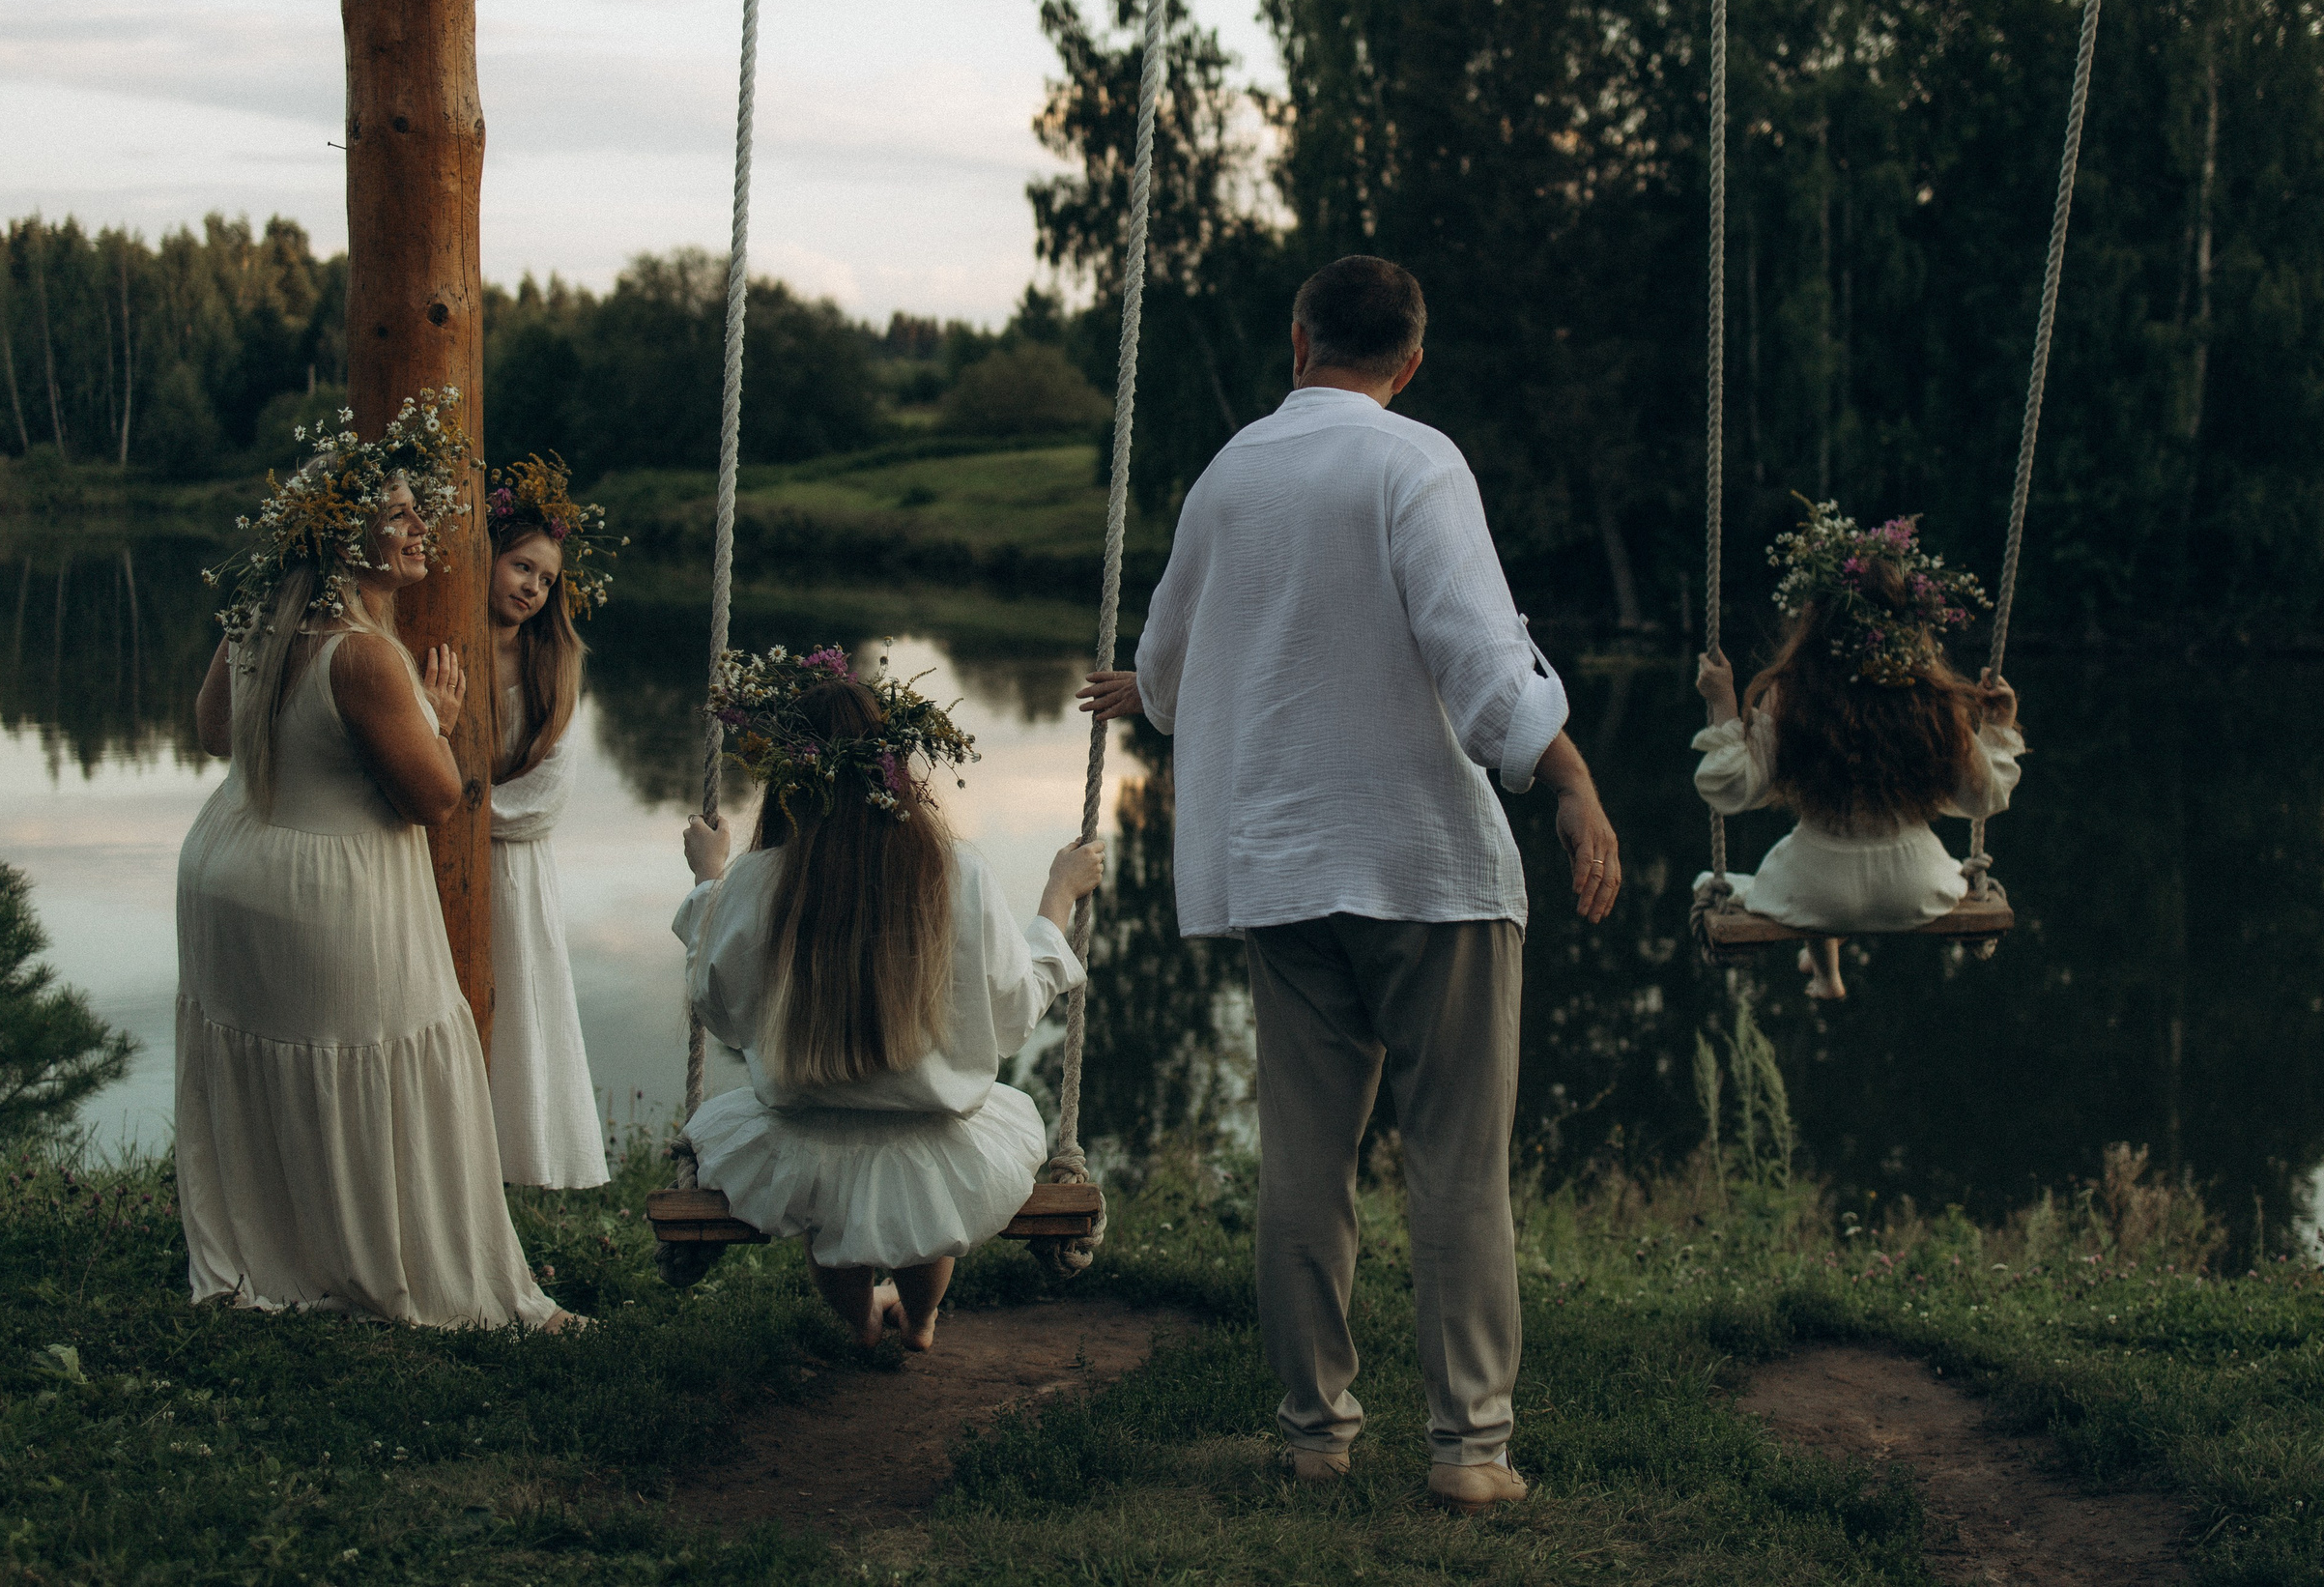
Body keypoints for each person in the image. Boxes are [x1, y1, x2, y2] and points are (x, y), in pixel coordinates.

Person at [1076, 256, 1620, 1513]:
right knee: (1454, 1164)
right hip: (1426, 862)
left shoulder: (1228, 474)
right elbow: (1484, 667)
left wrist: (1141, 698)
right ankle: (1468, 1447)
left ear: (1299, 340)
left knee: (1305, 1162)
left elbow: (1165, 661)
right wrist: (1574, 776)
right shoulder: (1413, 460)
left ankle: (1317, 1431)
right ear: (1411, 362)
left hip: (1283, 868)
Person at [176, 391, 565, 1330]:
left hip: (229, 865)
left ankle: (279, 1252)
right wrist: (438, 716)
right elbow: (434, 798)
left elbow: (209, 732)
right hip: (331, 886)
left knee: (276, 1072)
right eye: (397, 518)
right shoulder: (364, 656)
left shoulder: (256, 622)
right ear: (348, 537)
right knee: (377, 1067)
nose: (419, 530)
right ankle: (385, 1267)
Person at [673, 646, 1101, 1351]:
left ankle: (862, 1321)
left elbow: (717, 1002)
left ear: (789, 782)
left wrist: (707, 882)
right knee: (931, 1210)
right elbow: (1014, 1007)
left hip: (806, 1132)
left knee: (827, 1223)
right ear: (894, 769)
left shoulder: (758, 879)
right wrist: (1057, 896)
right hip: (932, 1133)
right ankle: (921, 1319)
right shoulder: (953, 872)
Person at [1692, 499, 2024, 999]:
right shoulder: (1933, 704)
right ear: (1912, 626)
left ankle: (1826, 971)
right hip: (1915, 887)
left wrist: (1722, 702)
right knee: (1828, 883)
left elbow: (1732, 792)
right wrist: (1999, 726)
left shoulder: (1794, 696)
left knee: (1745, 880)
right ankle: (1826, 973)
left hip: (1814, 885)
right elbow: (1985, 799)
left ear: (1817, 622)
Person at [482, 457, 616, 1189]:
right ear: (487, 555)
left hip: (511, 867)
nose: (532, 588)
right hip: (418, 854)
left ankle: (509, 1165)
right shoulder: (436, 638)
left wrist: (450, 806)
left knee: (515, 1010)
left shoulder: (554, 663)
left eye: (545, 578)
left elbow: (544, 799)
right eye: (521, 566)